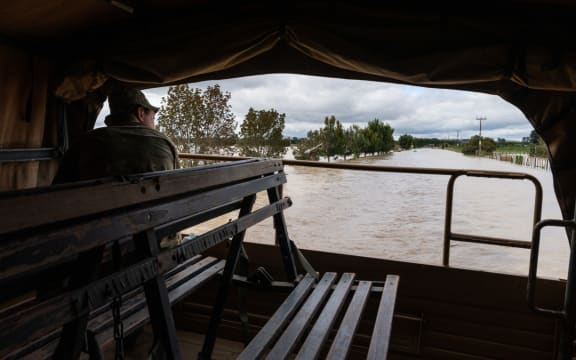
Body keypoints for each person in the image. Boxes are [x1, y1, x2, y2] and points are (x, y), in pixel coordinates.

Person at [53, 86, 179, 184]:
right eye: (153, 119)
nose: (154, 125)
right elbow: (176, 187)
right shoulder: (165, 143)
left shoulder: (83, 142)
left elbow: (58, 191)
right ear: (140, 113)